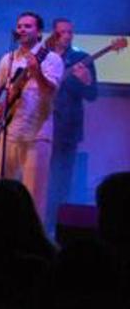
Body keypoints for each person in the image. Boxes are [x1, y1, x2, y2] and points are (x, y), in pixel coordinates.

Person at [0, 11, 63, 219]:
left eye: (28, 26)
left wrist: (36, 72)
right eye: (19, 26)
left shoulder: (52, 59)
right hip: (7, 130)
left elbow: (50, 92)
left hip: (36, 135)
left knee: (33, 195)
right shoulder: (8, 58)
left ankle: (33, 234)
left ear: (39, 32)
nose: (22, 29)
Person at [47, 17, 97, 223]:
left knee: (62, 177)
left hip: (68, 127)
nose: (67, 36)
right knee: (41, 175)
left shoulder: (82, 58)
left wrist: (86, 81)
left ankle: (57, 221)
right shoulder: (44, 56)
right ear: (54, 33)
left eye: (70, 32)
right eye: (63, 32)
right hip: (43, 124)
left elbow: (92, 95)